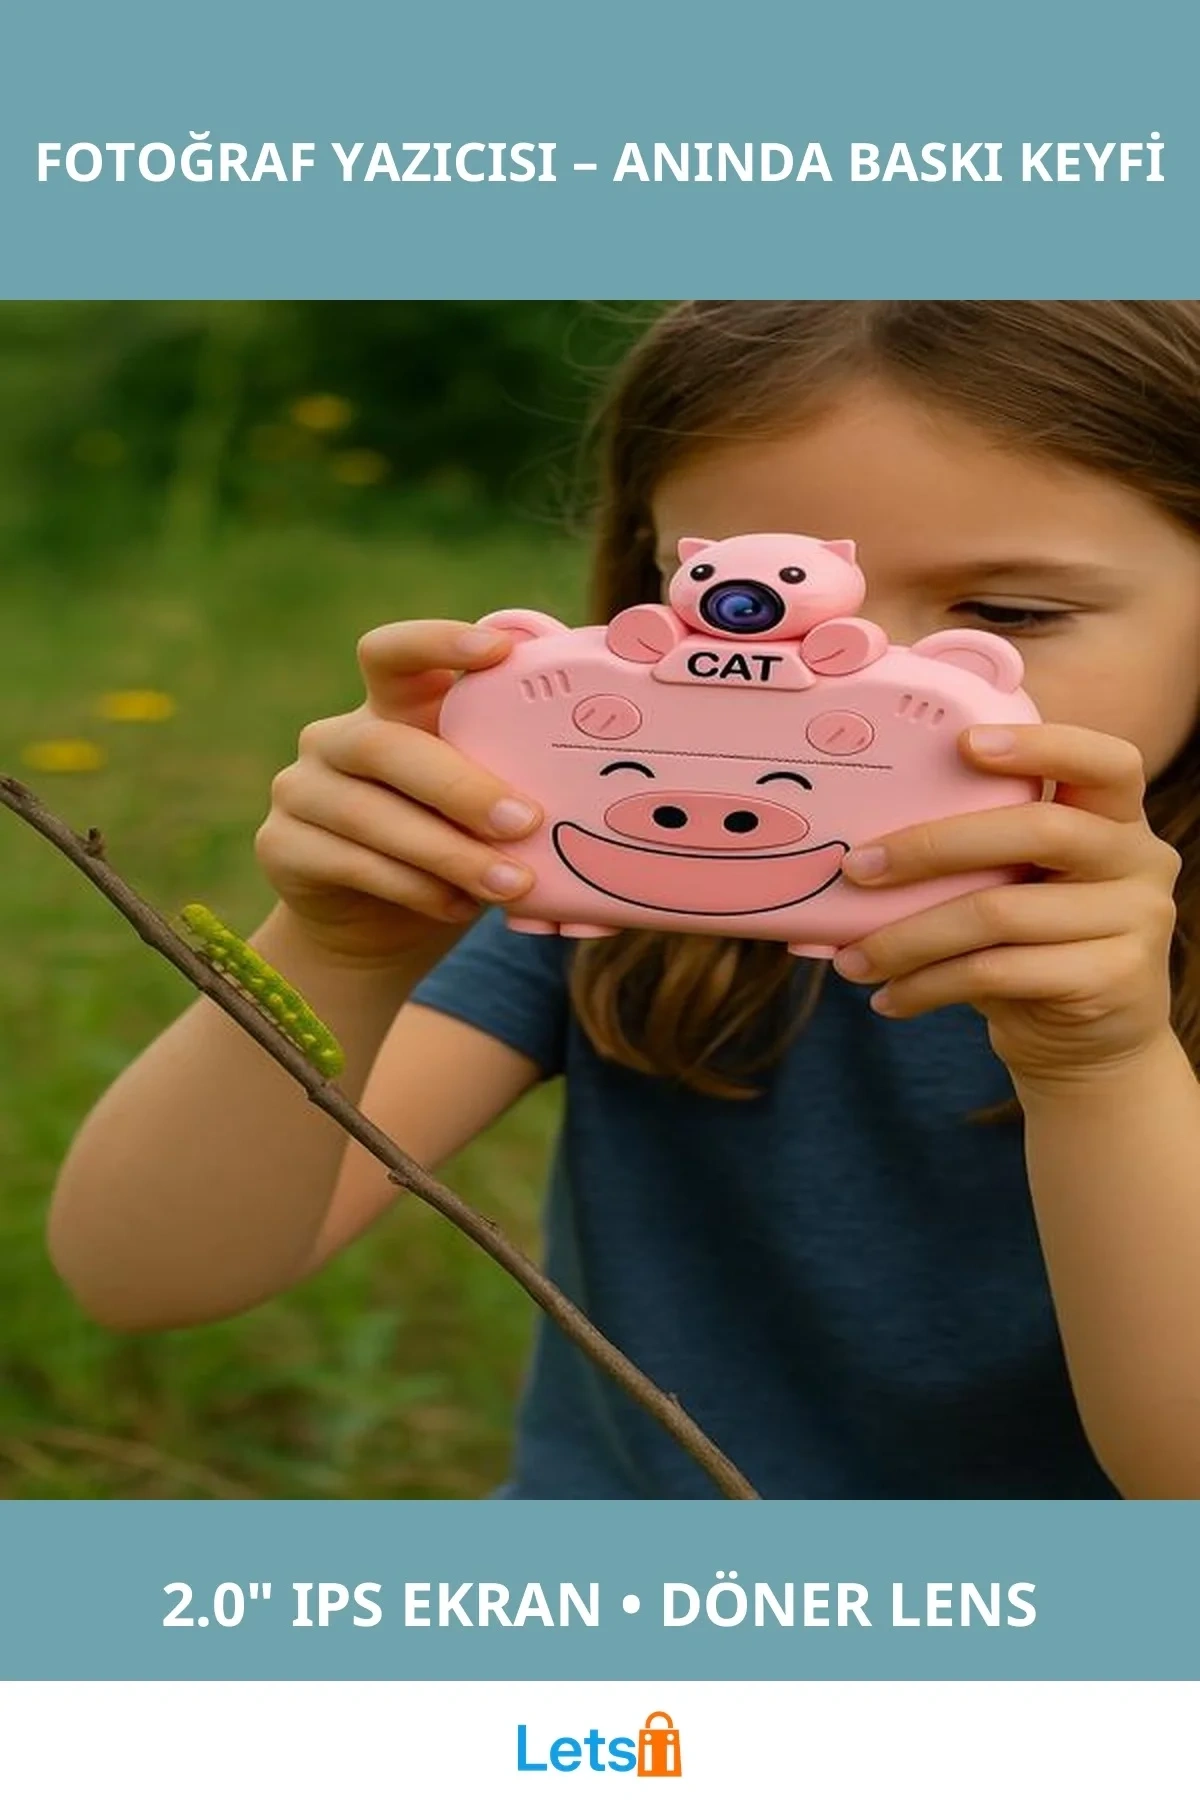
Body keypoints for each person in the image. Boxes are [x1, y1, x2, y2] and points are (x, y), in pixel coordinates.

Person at [46, 301, 1200, 1500]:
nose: (850, 682)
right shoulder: (610, 896)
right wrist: (343, 946)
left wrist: (1101, 1070)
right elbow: (143, 1273)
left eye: (1008, 615)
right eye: (741, 606)